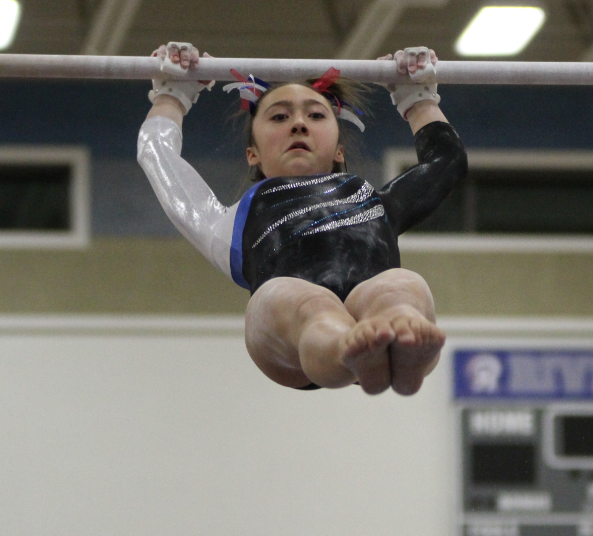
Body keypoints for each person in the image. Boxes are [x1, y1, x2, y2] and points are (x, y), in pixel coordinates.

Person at [138, 42, 467, 395]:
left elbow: (446, 162)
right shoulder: (234, 222)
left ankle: (399, 333)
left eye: (316, 115)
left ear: (339, 148)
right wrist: (172, 96)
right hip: (289, 341)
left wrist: (417, 99)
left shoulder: (372, 198)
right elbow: (159, 156)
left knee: (399, 287)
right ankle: (347, 347)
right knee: (298, 300)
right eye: (279, 116)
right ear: (253, 154)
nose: (298, 124)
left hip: (369, 313)